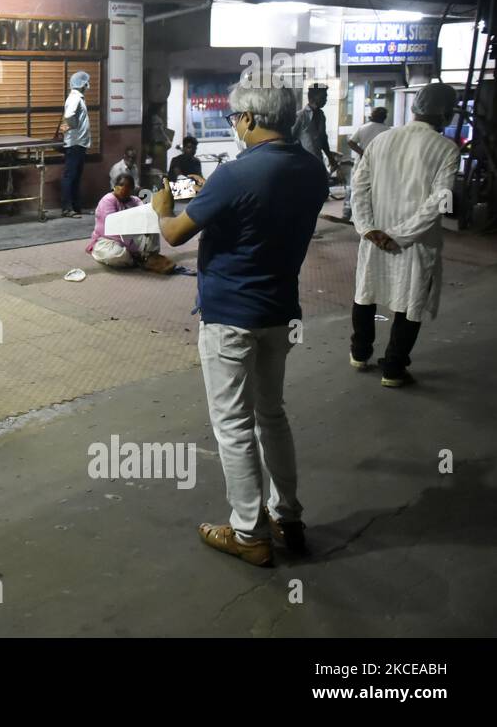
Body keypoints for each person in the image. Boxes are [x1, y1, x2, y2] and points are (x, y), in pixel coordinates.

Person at [153, 78, 328, 567]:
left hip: (231, 314)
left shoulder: (236, 174)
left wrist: (162, 208)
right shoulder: (311, 170)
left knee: (233, 423)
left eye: (234, 119)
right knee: (272, 413)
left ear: (249, 119)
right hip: (280, 313)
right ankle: (287, 515)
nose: (234, 126)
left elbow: (173, 235)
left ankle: (249, 532)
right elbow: (260, 207)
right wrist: (218, 193)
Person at [350, 85, 460, 388]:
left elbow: (359, 187)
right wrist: (399, 235)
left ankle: (359, 353)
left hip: (375, 237)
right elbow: (440, 200)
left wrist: (368, 228)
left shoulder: (382, 140)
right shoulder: (446, 148)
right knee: (410, 301)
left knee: (366, 291)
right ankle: (393, 369)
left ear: (415, 108)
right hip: (415, 241)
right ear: (447, 113)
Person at [86, 172, 173, 272]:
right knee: (115, 255)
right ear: (115, 187)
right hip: (108, 239)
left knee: (152, 225)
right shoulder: (108, 200)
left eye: (128, 187)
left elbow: (146, 215)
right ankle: (140, 259)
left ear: (132, 190)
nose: (124, 189)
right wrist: (135, 249)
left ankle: (150, 256)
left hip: (130, 238)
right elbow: (114, 228)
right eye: (121, 185)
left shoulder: (134, 200)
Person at [53, 71, 92, 217]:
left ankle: (75, 207)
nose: (88, 85)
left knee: (75, 176)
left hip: (79, 143)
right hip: (75, 143)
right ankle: (67, 208)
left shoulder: (78, 98)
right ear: (82, 84)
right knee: (70, 176)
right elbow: (69, 116)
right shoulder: (75, 98)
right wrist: (74, 126)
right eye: (86, 82)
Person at [342, 107, 389, 222]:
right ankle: (370, 218)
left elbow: (351, 142)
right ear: (384, 117)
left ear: (373, 115)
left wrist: (362, 152)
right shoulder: (388, 131)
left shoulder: (363, 128)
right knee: (373, 191)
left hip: (361, 165)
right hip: (378, 166)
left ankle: (347, 215)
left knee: (354, 189)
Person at [292, 83, 340, 174]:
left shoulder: (321, 115)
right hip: (303, 166)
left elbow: (323, 140)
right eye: (324, 96)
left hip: (318, 163)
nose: (326, 99)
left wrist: (331, 158)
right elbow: (289, 139)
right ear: (313, 97)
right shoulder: (301, 116)